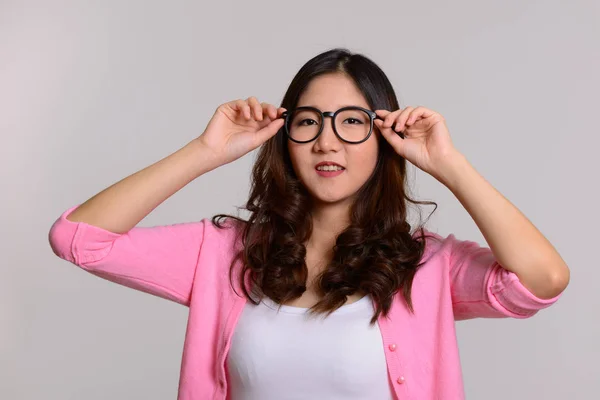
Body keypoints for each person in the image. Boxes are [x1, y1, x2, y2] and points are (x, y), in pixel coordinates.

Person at [48, 48, 570, 400]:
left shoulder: (427, 266)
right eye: (308, 122)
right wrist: (206, 151)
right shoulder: (223, 253)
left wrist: (449, 164)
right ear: (285, 136)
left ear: (384, 138)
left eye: (352, 122)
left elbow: (541, 281)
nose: (327, 142)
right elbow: (79, 239)